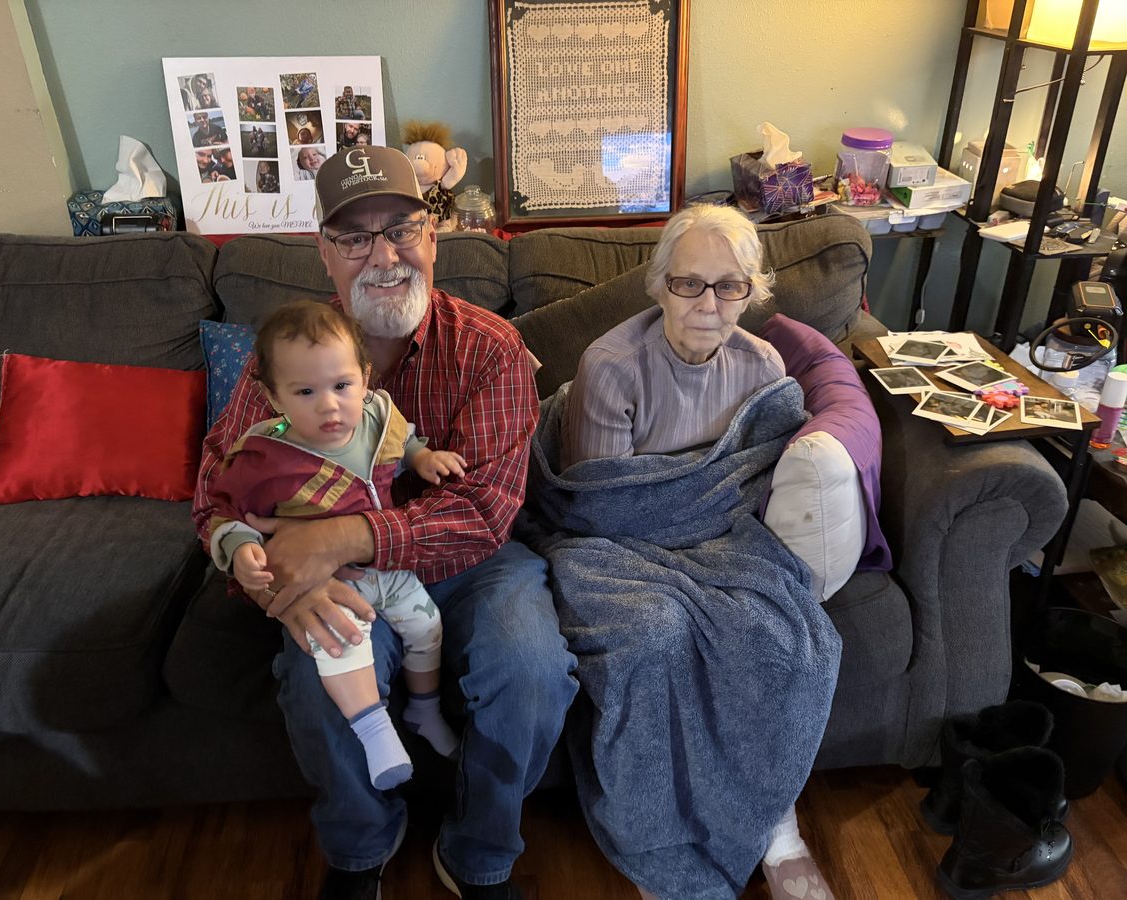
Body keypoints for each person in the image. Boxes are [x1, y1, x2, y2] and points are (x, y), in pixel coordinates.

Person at [193, 145, 577, 900]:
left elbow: (484, 511)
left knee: (529, 669)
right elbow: (219, 486)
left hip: (475, 562)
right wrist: (281, 581)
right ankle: (362, 845)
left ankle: (478, 852)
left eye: (400, 229)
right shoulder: (286, 356)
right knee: (315, 672)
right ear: (324, 256)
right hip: (336, 571)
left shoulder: (490, 348)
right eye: (354, 237)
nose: (383, 256)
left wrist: (340, 537)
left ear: (432, 237)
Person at [559, 204, 839, 900]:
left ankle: (774, 822)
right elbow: (599, 504)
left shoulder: (764, 364)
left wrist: (707, 526)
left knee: (788, 631)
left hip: (719, 538)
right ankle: (661, 841)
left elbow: (752, 480)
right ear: (658, 286)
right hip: (610, 546)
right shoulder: (612, 367)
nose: (709, 305)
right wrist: (686, 524)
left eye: (730, 285)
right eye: (689, 284)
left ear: (752, 290)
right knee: (654, 634)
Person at [207, 300, 464, 790]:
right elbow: (227, 511)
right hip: (325, 583)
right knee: (340, 644)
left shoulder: (374, 417)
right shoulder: (264, 454)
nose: (329, 405)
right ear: (273, 396)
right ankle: (375, 731)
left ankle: (425, 713)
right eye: (305, 391)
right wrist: (240, 552)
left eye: (342, 385)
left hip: (387, 563)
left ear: (365, 378)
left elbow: (401, 441)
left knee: (428, 627)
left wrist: (423, 456)